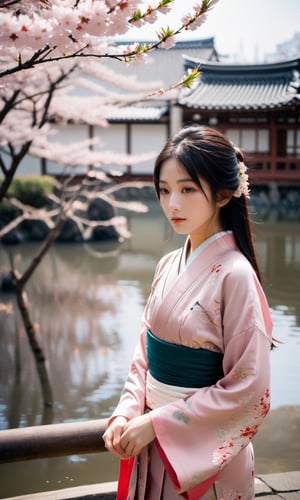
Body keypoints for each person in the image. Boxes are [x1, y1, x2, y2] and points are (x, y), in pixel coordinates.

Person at [103, 126, 273, 499]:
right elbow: (144, 352)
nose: (172, 204)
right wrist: (128, 411)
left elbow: (250, 388)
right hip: (151, 440)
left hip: (199, 457)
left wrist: (159, 423)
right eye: (164, 190)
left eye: (187, 189)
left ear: (224, 194)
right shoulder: (166, 264)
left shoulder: (236, 275)